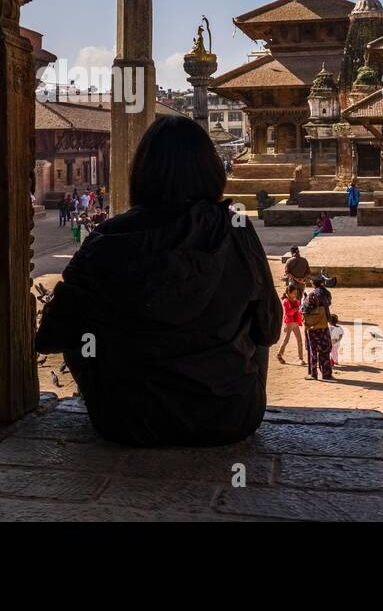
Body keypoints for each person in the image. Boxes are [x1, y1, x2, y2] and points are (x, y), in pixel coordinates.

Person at [35, 115, 281, 447]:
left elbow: (54, 334)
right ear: (211, 170)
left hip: (125, 420)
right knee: (256, 317)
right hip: (229, 418)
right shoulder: (235, 229)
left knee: (82, 329)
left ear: (141, 174)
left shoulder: (107, 238)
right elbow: (270, 328)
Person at [302, 280, 334, 380]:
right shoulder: (327, 294)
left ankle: (313, 374)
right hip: (323, 325)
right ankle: (326, 373)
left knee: (313, 351)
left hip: (313, 327)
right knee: (325, 350)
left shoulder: (312, 295)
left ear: (313, 284)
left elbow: (304, 310)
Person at [276, 283, 306, 366]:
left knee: (299, 340)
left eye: (296, 293)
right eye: (294, 293)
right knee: (286, 340)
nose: (296, 294)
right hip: (289, 323)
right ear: (289, 293)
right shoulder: (285, 301)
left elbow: (299, 311)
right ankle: (279, 354)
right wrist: (296, 309)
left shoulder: (296, 301)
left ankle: (300, 358)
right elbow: (288, 313)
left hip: (295, 322)